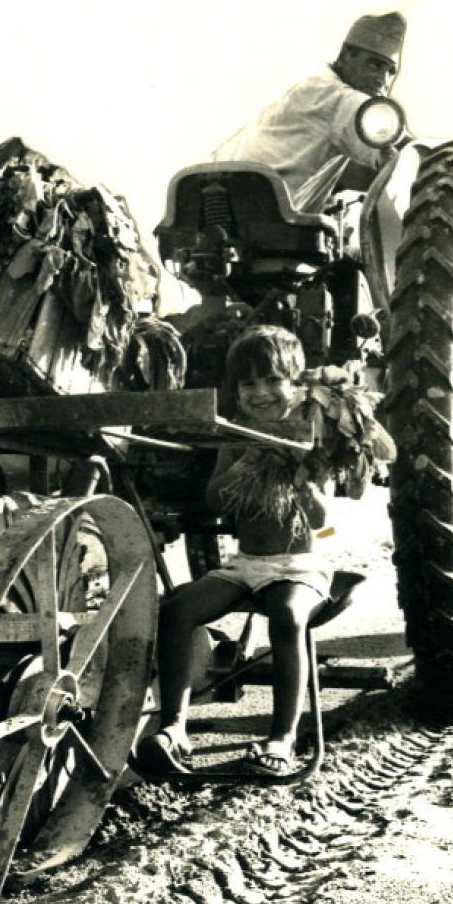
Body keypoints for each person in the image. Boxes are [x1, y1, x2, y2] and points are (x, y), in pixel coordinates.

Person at [136, 325, 332, 778]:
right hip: (246, 564)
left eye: (272, 380)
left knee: (287, 616)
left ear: (296, 383)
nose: (260, 393)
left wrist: (294, 470)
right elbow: (215, 501)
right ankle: (174, 729)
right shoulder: (235, 438)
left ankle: (282, 738)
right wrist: (248, 458)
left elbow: (320, 520)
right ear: (236, 391)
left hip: (298, 566)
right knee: (177, 610)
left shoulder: (307, 436)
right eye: (248, 384)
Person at [211, 12, 407, 205]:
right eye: (374, 65)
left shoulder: (309, 87)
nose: (382, 80)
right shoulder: (335, 97)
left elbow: (358, 174)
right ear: (345, 56)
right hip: (267, 218)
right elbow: (399, 154)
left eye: (391, 72)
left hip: (218, 207)